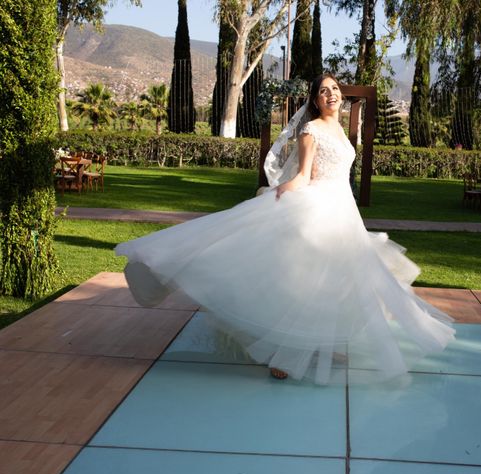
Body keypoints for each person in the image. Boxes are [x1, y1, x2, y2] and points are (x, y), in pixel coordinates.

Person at [115, 73, 455, 385]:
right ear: (315, 100)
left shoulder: (340, 129)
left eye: (335, 89)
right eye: (323, 91)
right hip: (320, 206)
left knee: (337, 281)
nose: (331, 94)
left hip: (343, 210)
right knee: (305, 282)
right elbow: (304, 175)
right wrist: (280, 191)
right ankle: (285, 352)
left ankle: (323, 342)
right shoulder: (311, 130)